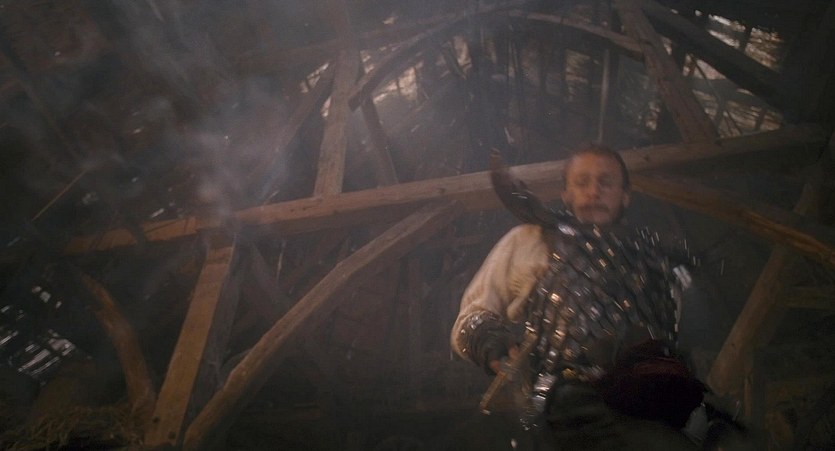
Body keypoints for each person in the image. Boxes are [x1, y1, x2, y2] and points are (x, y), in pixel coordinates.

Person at [450, 145, 705, 450]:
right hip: (567, 410)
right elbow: (471, 316)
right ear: (566, 194)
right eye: (582, 183)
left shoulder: (657, 261)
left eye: (605, 182)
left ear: (625, 195)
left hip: (651, 407)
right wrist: (490, 342)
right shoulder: (532, 240)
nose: (594, 191)